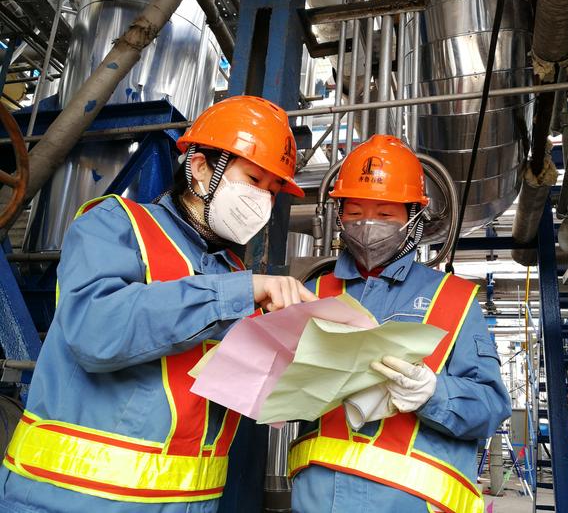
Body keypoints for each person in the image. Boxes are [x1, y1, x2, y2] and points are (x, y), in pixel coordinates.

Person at [0, 95, 316, 513]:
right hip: (74, 500)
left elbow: (220, 393)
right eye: (254, 180)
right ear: (201, 168)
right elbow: (95, 332)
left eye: (274, 191)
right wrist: (237, 293)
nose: (263, 201)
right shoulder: (116, 223)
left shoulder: (232, 271)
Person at [289, 134, 511, 513]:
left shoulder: (454, 300)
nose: (368, 225)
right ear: (339, 216)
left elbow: (491, 407)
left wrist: (433, 394)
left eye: (385, 213)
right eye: (355, 213)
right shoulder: (312, 293)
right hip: (317, 500)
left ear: (412, 218)